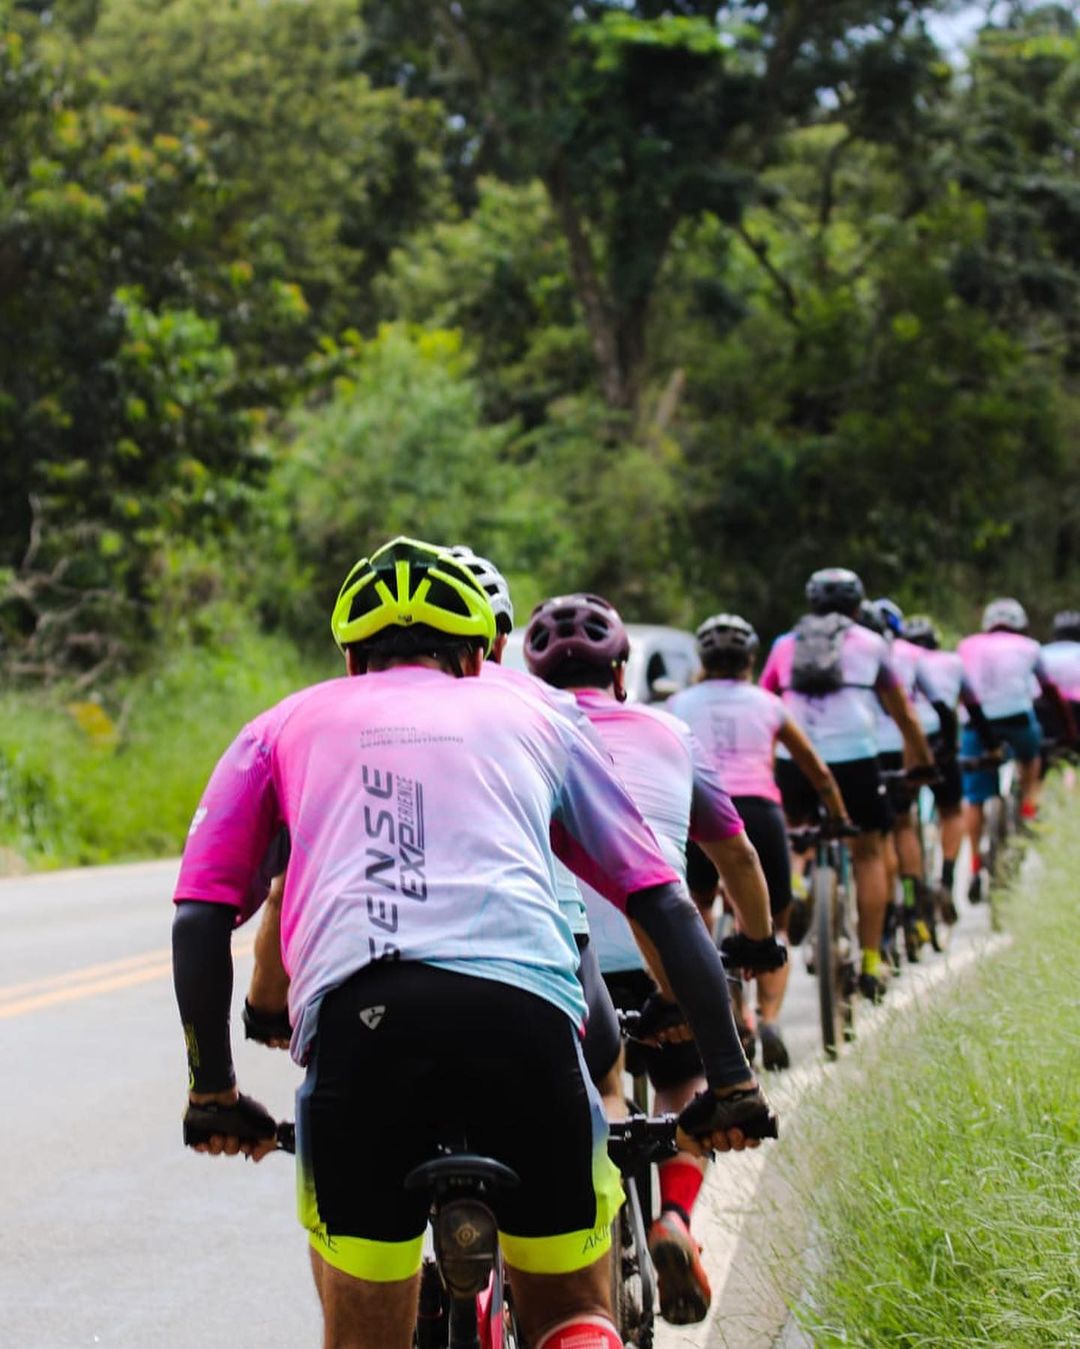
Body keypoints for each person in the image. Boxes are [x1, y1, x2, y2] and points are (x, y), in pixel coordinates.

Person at [172, 537, 776, 1349]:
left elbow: (201, 914)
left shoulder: (282, 723)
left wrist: (213, 1089)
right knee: (573, 1315)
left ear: (349, 653)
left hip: (362, 1030)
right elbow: (659, 898)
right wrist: (731, 1079)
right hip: (525, 1022)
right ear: (484, 650)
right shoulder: (540, 714)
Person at [524, 592, 785, 1328]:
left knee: (585, 1093)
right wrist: (757, 941)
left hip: (550, 961)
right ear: (621, 670)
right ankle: (673, 1211)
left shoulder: (517, 733)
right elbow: (734, 855)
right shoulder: (669, 731)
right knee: (688, 1078)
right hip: (663, 959)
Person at [666, 613, 850, 1072]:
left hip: (697, 810)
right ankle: (769, 1019)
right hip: (760, 814)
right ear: (750, 660)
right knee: (773, 925)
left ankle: (719, 1002)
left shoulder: (678, 704)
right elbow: (815, 768)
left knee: (697, 909)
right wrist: (839, 813)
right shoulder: (768, 704)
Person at [759, 568, 934, 1001]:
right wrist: (922, 762)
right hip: (855, 757)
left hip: (795, 757)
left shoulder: (785, 644)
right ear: (859, 607)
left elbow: (764, 701)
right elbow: (904, 713)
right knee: (869, 851)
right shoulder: (872, 644)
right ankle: (873, 960)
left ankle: (797, 884)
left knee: (798, 835)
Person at [957, 598, 1075, 902]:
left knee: (974, 796)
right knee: (1031, 760)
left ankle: (974, 862)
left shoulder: (967, 645)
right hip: (1018, 718)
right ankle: (1027, 808)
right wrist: (1068, 729)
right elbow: (1047, 689)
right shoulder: (1029, 646)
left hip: (976, 723)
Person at [901, 615, 1000, 913]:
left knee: (901, 821)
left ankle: (910, 891)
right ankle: (945, 877)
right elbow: (973, 708)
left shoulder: (896, 658)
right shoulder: (952, 663)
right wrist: (992, 746)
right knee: (952, 810)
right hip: (938, 742)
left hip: (901, 743)